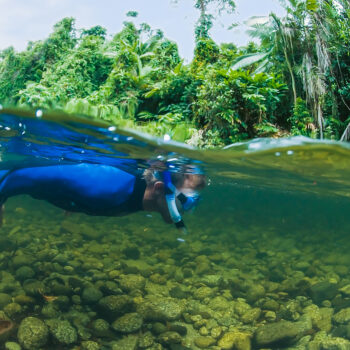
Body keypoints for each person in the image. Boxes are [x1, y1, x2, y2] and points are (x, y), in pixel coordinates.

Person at [0, 162, 205, 229]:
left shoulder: (128, 196)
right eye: (186, 202)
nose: (186, 211)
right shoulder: (109, 185)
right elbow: (19, 174)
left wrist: (71, 201)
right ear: (160, 188)